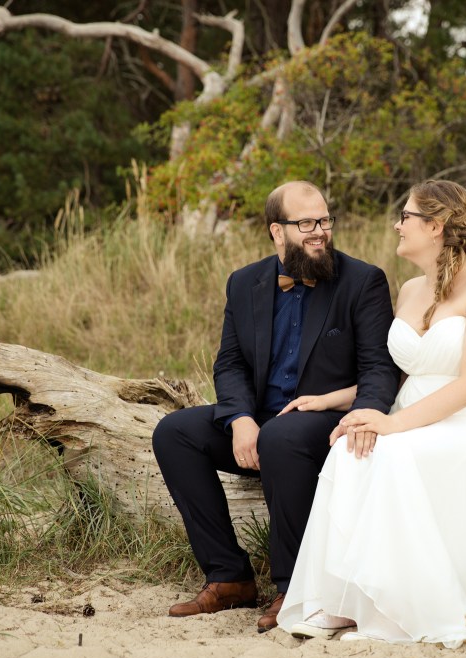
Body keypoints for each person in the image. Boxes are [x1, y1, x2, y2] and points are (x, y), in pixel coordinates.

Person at [276, 179, 466, 647]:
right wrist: (336, 401)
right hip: (415, 417)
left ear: (434, 227)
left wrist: (392, 424)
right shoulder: (412, 289)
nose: (397, 224)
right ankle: (342, 604)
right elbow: (402, 371)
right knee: (350, 451)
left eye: (406, 216)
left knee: (390, 454)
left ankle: (396, 615)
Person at [152, 181, 399, 632]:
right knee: (175, 432)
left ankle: (293, 587)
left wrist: (364, 415)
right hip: (262, 420)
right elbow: (229, 363)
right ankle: (229, 576)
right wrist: (241, 418)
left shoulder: (363, 281)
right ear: (277, 231)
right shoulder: (245, 282)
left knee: (282, 437)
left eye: (324, 220)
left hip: (323, 423)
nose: (319, 231)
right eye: (306, 223)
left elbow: (380, 368)